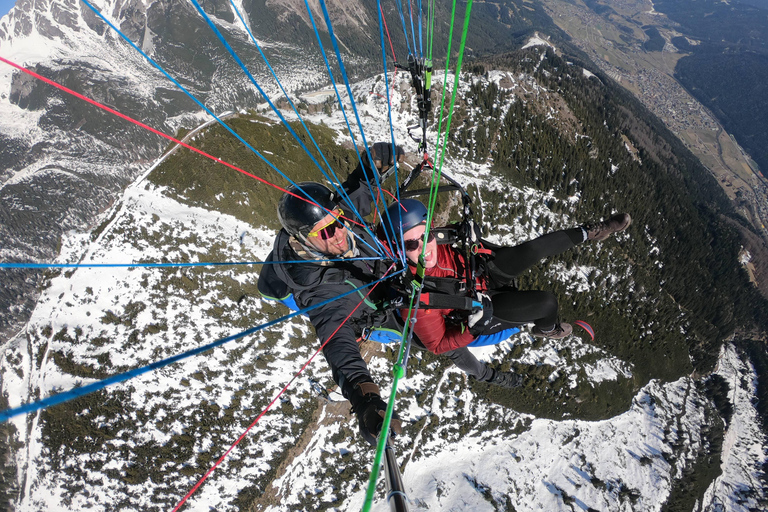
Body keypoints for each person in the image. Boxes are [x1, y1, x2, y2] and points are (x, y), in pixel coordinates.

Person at [380, 198, 631, 386]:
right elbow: (438, 345)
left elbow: (450, 234)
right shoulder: (414, 298)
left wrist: (464, 232)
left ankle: (592, 232)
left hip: (479, 271)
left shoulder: (432, 241)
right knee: (547, 304)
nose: (424, 247)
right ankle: (546, 329)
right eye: (411, 244)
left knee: (531, 250)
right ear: (398, 249)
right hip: (480, 307)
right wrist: (472, 330)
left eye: (427, 235)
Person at [257, 143, 405, 446]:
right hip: (385, 316)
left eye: (337, 221)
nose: (338, 232)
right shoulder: (319, 292)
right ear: (303, 239)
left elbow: (354, 194)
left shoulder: (337, 224)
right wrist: (365, 399)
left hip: (390, 276)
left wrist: (372, 166)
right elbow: (338, 345)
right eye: (325, 231)